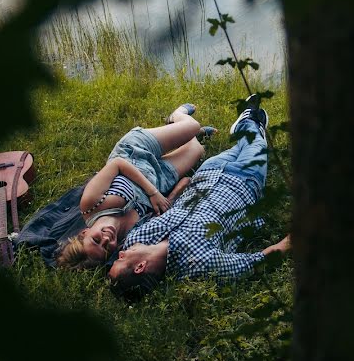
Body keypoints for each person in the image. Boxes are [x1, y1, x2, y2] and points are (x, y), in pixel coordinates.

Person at [108, 95, 291, 299]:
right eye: (120, 260)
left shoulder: (137, 238)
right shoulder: (198, 264)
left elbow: (161, 212)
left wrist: (179, 188)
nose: (120, 253)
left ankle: (249, 125)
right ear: (140, 267)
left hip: (207, 173)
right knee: (255, 143)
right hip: (244, 183)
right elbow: (254, 263)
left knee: (245, 144)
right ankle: (250, 121)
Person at [16, 104, 211, 269]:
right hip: (161, 178)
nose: (107, 239)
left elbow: (117, 163)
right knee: (197, 149)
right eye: (107, 248)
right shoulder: (130, 236)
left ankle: (176, 116)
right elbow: (166, 207)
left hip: (135, 154)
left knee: (191, 125)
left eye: (96, 240)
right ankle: (192, 137)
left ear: (84, 233)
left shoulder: (91, 205)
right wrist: (172, 194)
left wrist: (152, 193)